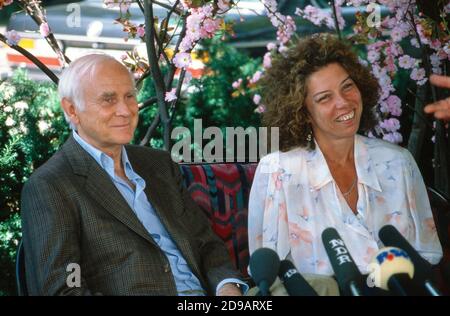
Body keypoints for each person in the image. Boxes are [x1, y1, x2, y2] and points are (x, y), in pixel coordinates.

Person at [21, 54, 246, 296]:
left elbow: (205, 242)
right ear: (72, 109)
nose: (126, 110)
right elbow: (64, 287)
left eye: (129, 96)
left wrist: (228, 288)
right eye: (108, 100)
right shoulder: (52, 185)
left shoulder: (158, 165)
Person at [248, 34, 443, 295]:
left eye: (347, 87)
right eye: (324, 98)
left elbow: (428, 256)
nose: (343, 102)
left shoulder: (398, 162)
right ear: (302, 111)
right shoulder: (278, 171)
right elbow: (269, 270)